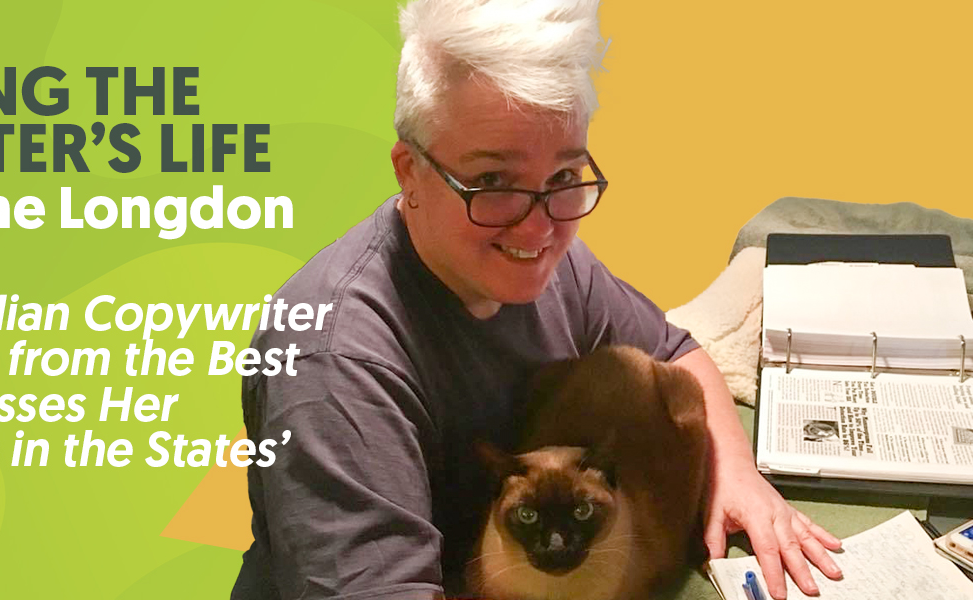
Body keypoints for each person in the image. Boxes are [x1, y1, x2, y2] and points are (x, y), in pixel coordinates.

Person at [232, 1, 843, 598]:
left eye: (563, 177)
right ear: (408, 171)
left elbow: (674, 350)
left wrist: (737, 475)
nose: (538, 228)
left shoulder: (546, 261)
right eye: (492, 181)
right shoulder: (334, 363)